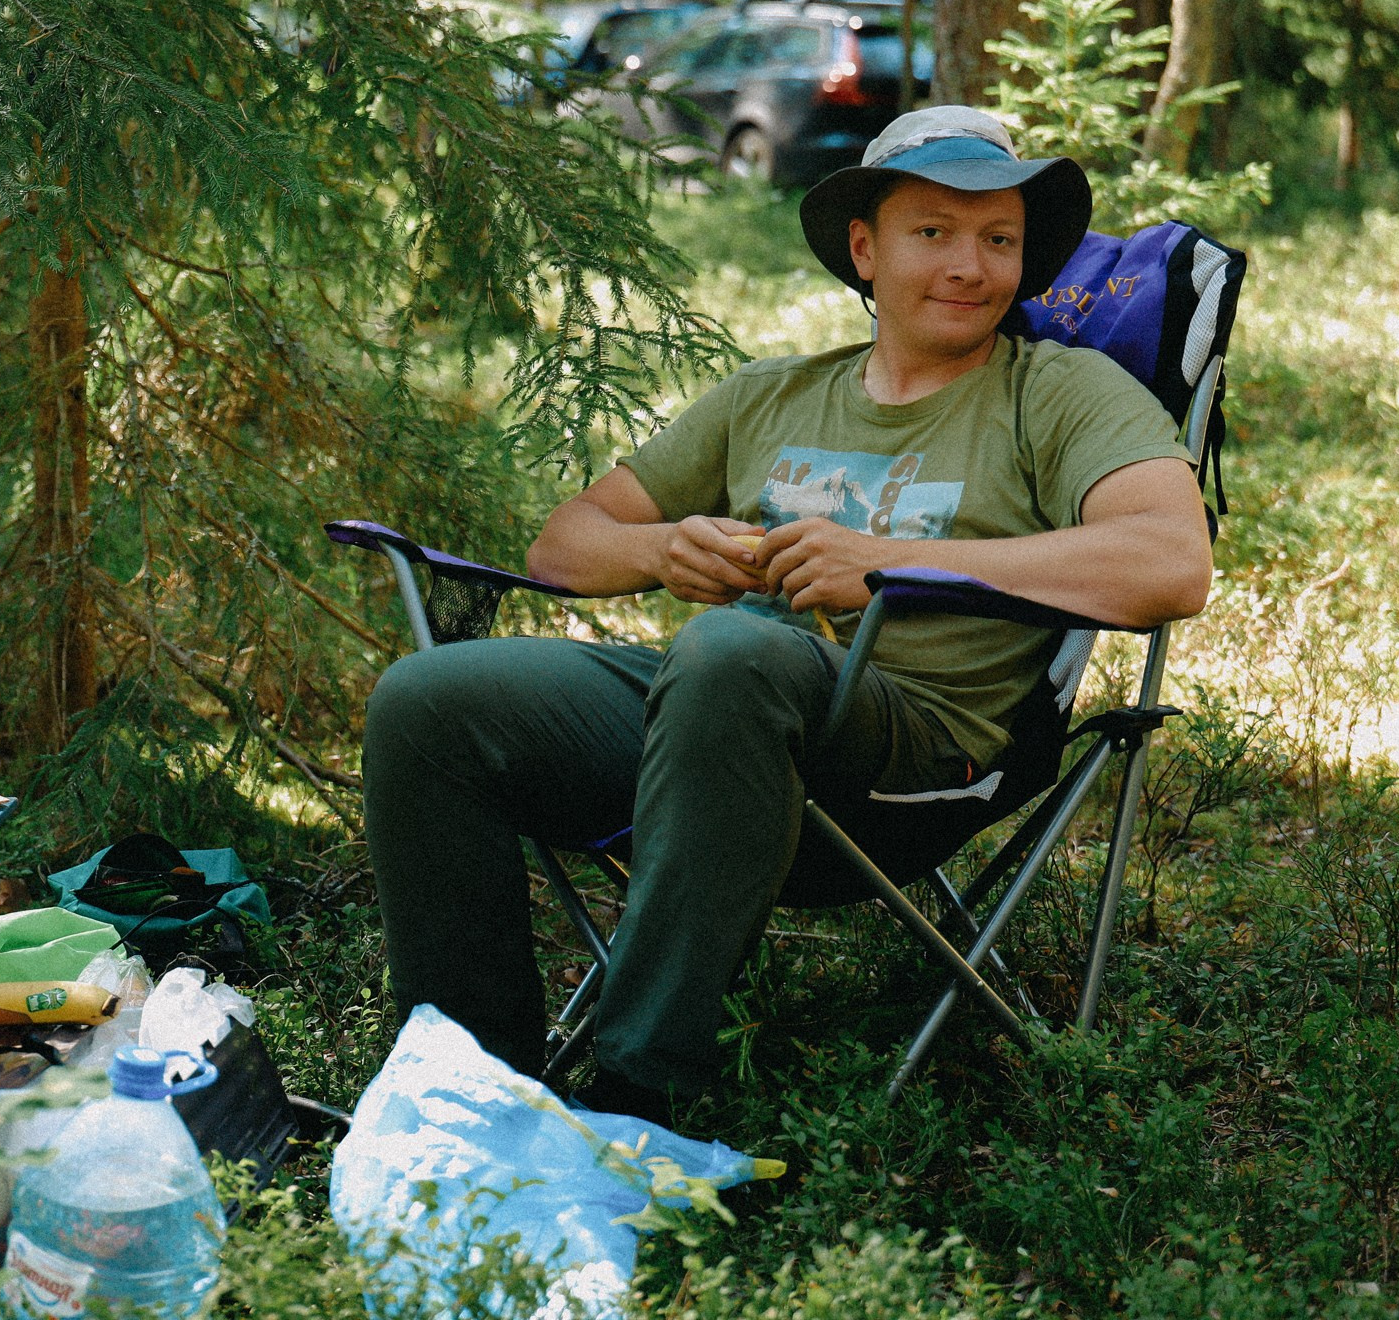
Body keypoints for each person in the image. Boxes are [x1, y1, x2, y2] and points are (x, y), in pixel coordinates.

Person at [361, 107, 1215, 1122]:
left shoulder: (1064, 394)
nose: (971, 267)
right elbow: (567, 539)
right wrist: (660, 549)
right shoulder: (770, 396)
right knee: (426, 702)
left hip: (907, 751)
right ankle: (465, 1090)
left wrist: (891, 560)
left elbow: (1171, 561)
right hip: (711, 718)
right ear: (865, 248)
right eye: (932, 232)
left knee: (732, 656)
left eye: (999, 239)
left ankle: (639, 1098)